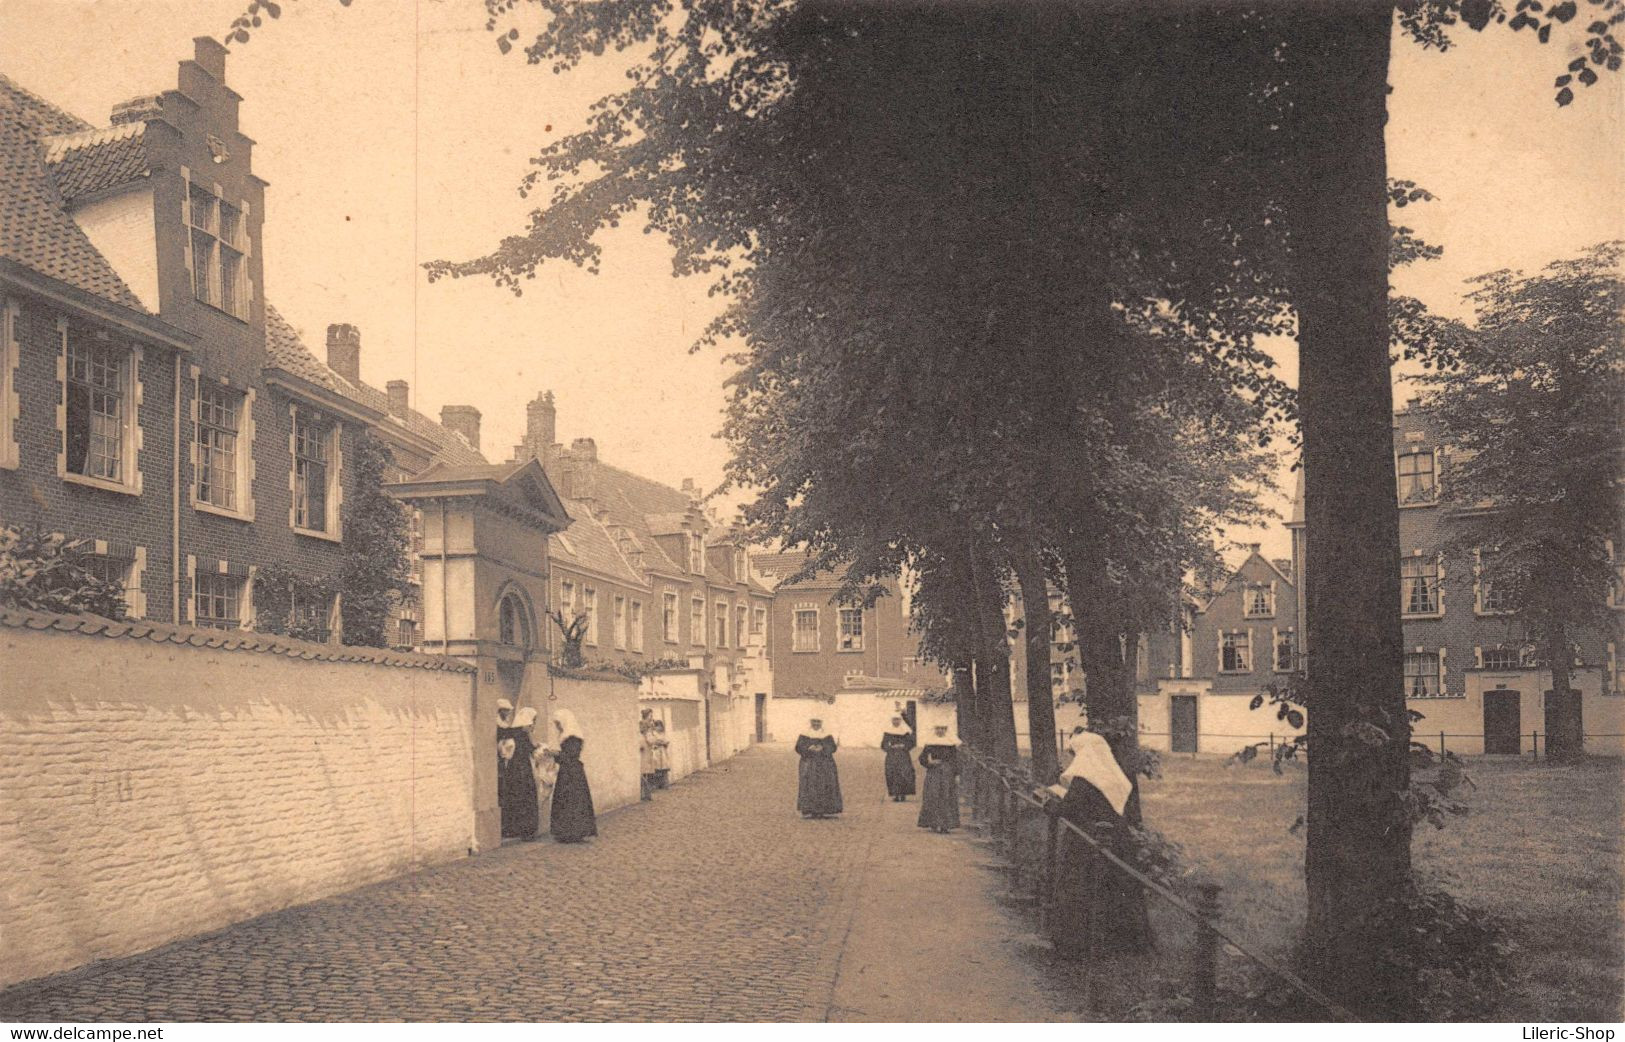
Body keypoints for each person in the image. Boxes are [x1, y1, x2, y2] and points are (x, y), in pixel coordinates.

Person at [1044, 728, 1145, 959]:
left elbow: (1069, 809)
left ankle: (1077, 946)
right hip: (1116, 839)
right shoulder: (1109, 776)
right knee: (1114, 890)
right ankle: (1117, 945)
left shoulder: (1084, 780)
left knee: (1081, 889)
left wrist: (1051, 806)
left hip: (1088, 842)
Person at [549, 709, 598, 843]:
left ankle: (574, 831)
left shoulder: (574, 737)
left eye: (559, 723)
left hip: (573, 773)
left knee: (573, 800)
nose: (558, 727)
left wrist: (556, 754)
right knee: (567, 800)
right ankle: (566, 832)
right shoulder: (567, 736)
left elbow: (571, 755)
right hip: (567, 772)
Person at [496, 706, 541, 841]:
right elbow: (527, 749)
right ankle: (525, 829)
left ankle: (515, 828)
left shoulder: (515, 732)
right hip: (521, 769)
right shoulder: (520, 733)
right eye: (532, 721)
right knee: (524, 797)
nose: (533, 724)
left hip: (516, 769)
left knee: (516, 797)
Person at [916, 723, 961, 833]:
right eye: (938, 729)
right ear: (935, 730)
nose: (940, 731)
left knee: (947, 797)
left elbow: (956, 760)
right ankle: (934, 823)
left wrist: (956, 773)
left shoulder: (951, 744)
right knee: (933, 796)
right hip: (934, 772)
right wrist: (929, 763)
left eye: (942, 729)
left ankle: (946, 825)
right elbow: (922, 758)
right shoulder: (930, 743)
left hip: (947, 774)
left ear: (945, 730)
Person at [794, 717, 843, 818]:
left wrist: (823, 748)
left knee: (825, 784)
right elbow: (798, 747)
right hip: (808, 763)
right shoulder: (804, 734)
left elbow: (833, 747)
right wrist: (808, 748)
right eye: (814, 722)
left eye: (818, 722)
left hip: (825, 764)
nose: (816, 724)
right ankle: (811, 810)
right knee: (809, 785)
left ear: (821, 723)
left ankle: (825, 810)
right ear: (810, 722)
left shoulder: (827, 735)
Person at [880, 715, 917, 801]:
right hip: (892, 755)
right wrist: (890, 748)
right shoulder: (888, 732)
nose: (896, 722)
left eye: (897, 720)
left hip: (903, 755)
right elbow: (883, 745)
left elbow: (912, 743)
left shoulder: (905, 732)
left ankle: (903, 794)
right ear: (892, 721)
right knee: (893, 774)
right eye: (894, 720)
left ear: (900, 721)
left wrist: (904, 746)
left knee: (905, 773)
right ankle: (896, 794)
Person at [638, 708, 656, 802]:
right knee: (645, 773)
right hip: (645, 750)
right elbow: (650, 740)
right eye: (650, 715)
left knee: (644, 772)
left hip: (645, 750)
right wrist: (655, 739)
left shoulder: (644, 725)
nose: (651, 717)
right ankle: (646, 794)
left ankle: (645, 794)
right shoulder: (647, 726)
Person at [651, 718, 672, 790]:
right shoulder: (654, 734)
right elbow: (654, 742)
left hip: (663, 752)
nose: (659, 728)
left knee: (664, 768)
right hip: (656, 752)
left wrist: (662, 743)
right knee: (656, 769)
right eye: (657, 726)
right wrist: (659, 742)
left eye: (660, 726)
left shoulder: (663, 734)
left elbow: (667, 741)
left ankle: (665, 784)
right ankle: (657, 784)